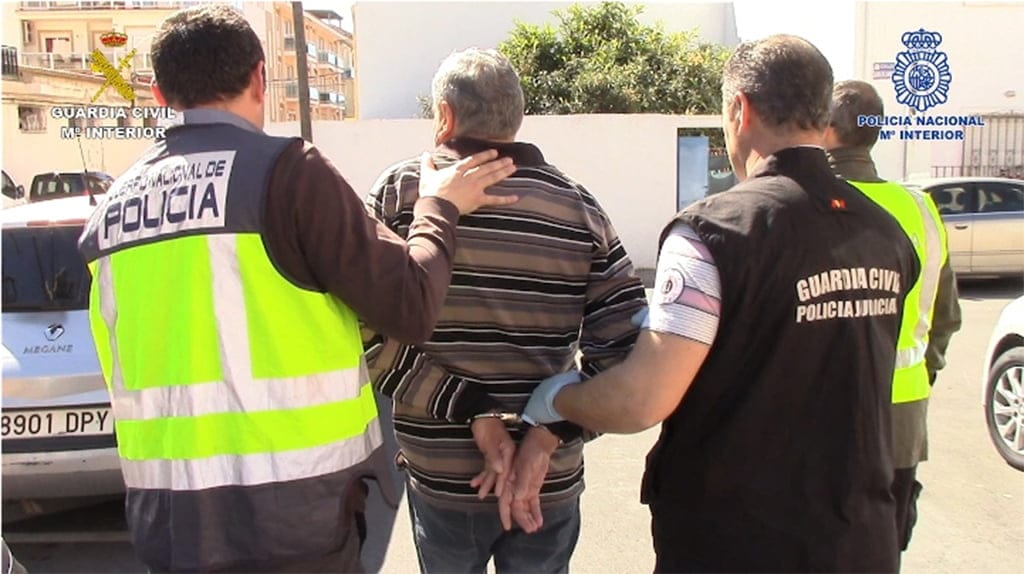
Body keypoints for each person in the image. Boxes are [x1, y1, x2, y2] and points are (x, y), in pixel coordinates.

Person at [77, 6, 516, 573]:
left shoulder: (109, 216)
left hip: (170, 527)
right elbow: (409, 305)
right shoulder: (286, 175)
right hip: (294, 520)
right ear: (261, 77)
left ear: (160, 94)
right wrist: (438, 206)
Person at [522, 35, 921, 572]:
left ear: (739, 110)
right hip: (858, 538)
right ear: (821, 113)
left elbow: (642, 399)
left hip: (736, 540)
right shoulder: (886, 232)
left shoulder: (713, 232)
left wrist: (556, 401)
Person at [363, 48, 646, 573]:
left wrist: (472, 409)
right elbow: (627, 351)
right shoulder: (577, 206)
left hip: (443, 477)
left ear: (444, 115)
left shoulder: (401, 196)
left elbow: (364, 336)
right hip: (548, 480)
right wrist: (547, 435)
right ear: (516, 119)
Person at [825, 79, 963, 554]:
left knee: (825, 542)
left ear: (826, 129)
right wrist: (923, 374)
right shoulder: (921, 207)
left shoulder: (810, 203)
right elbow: (945, 315)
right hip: (904, 409)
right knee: (884, 541)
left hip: (828, 411)